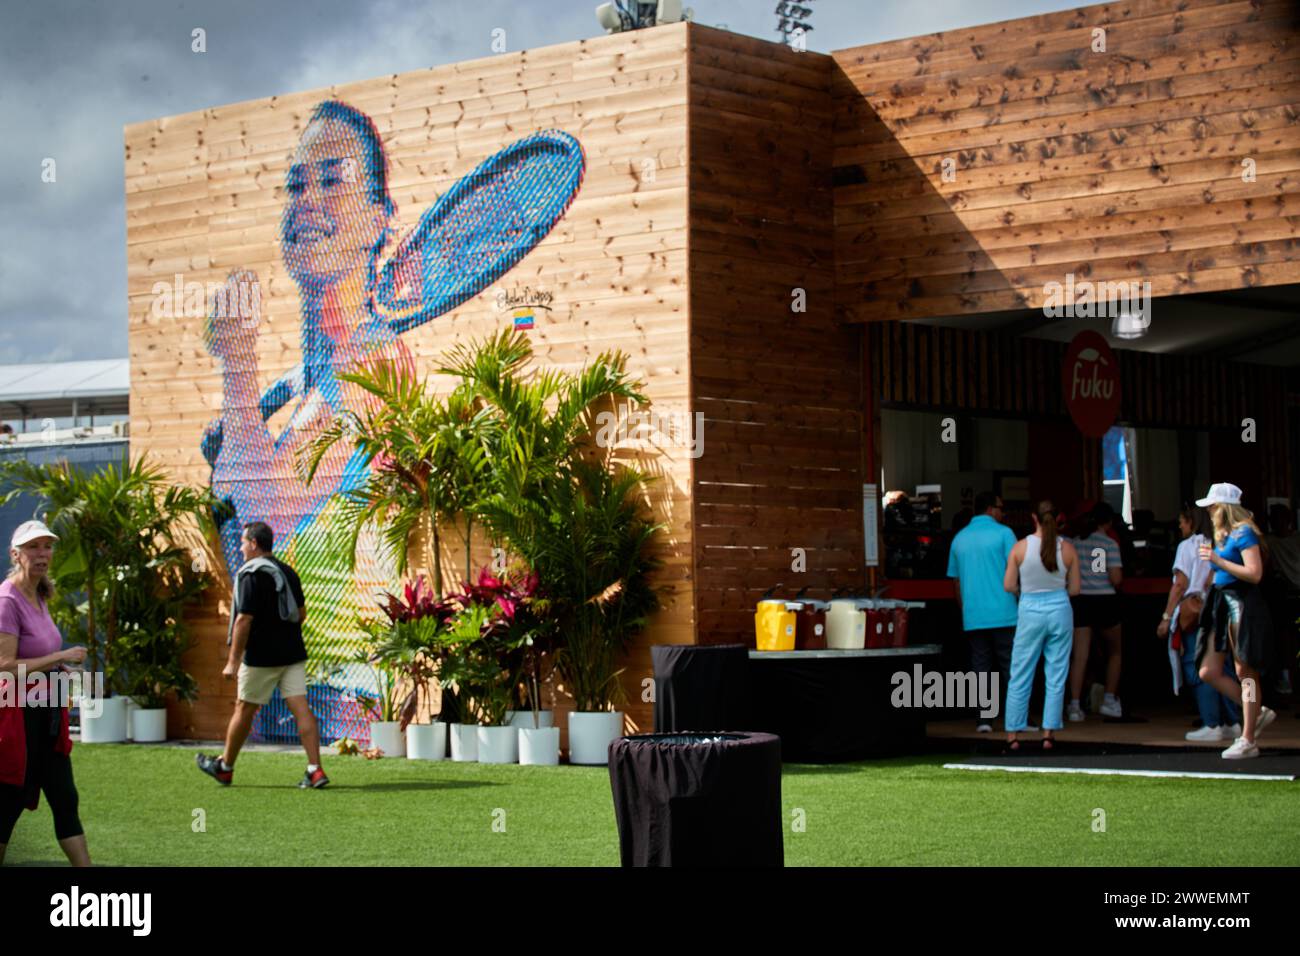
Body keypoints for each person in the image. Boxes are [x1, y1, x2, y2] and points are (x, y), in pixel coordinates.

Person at [202, 100, 584, 666]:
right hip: (286, 672)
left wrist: (236, 370)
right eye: (296, 183)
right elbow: (245, 540)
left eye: (332, 180)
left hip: (336, 688)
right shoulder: (311, 382)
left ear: (382, 216)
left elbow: (269, 519)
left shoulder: (375, 361)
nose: (307, 200)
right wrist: (236, 436)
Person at [196, 522, 325, 788]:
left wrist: (232, 662)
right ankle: (315, 770)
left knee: (244, 709)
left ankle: (224, 767)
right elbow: (300, 615)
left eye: (243, 542)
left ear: (254, 543)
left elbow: (243, 620)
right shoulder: (288, 572)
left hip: (261, 658)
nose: (241, 548)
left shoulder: (250, 574)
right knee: (301, 708)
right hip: (292, 653)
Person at [0, 520, 90, 866]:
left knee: (65, 796)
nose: (42, 554)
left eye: (47, 546)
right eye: (33, 547)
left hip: (47, 710)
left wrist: (57, 670)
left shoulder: (40, 592)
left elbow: (34, 656)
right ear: (16, 554)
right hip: (17, 716)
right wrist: (60, 656)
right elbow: (6, 666)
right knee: (8, 803)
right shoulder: (8, 599)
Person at [1193, 484, 1277, 759]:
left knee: (1245, 670)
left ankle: (1248, 737)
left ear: (1225, 508)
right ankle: (1255, 710)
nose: (1209, 511)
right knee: (1208, 670)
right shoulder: (1223, 534)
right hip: (1221, 602)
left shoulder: (1244, 533)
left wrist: (1218, 560)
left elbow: (1254, 573)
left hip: (1241, 602)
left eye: (1213, 506)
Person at [1157, 504, 1240, 741]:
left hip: (1196, 611)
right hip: (1220, 606)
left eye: (1182, 521)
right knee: (1223, 666)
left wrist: (1166, 616)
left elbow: (1180, 583)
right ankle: (1233, 721)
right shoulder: (1220, 542)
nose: (1180, 526)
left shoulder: (1188, 546)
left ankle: (1211, 722)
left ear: (1191, 521)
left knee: (1197, 664)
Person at [1003, 501, 1081, 751]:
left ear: (1033, 518)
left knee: (1021, 672)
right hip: (1059, 608)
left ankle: (1013, 734)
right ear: (1057, 518)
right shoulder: (1067, 548)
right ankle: (1048, 733)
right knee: (1056, 674)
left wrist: (1023, 591)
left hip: (1029, 610)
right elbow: (1076, 589)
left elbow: (1008, 585)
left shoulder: (1020, 547)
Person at [947, 491, 1018, 731]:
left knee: (980, 668)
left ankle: (984, 719)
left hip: (974, 614)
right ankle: (1015, 718)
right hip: (1005, 611)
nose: (1002, 513)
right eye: (1001, 508)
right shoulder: (1004, 533)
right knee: (1011, 666)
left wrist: (965, 608)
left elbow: (955, 582)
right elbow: (1016, 569)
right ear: (990, 509)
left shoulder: (959, 539)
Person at [1066, 502, 1125, 720]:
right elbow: (1115, 577)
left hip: (1081, 600)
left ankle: (1074, 705)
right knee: (1115, 652)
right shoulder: (1108, 544)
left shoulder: (1074, 543)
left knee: (1080, 655)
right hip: (1105, 600)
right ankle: (1109, 699)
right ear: (1108, 522)